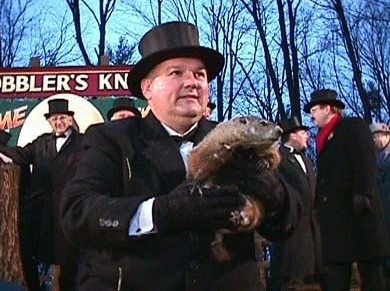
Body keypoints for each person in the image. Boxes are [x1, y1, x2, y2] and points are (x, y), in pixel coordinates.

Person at [59, 21, 301, 291]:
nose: (192, 83)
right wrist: (161, 212)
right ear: (148, 87)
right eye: (176, 73)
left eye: (200, 75)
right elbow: (77, 214)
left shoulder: (237, 138)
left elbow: (287, 223)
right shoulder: (111, 139)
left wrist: (270, 191)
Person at [304, 88, 388, 291]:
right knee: (334, 275)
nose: (312, 115)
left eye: (315, 109)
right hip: (337, 222)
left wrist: (363, 192)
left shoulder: (351, 127)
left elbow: (365, 159)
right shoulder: (324, 139)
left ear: (328, 109)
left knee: (371, 275)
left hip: (360, 215)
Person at [0, 98, 84, 290]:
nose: (58, 122)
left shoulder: (83, 142)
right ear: (49, 122)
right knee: (38, 259)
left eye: (62, 118)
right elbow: (20, 154)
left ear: (70, 120)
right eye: (54, 119)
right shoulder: (41, 143)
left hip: (68, 209)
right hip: (42, 213)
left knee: (69, 261)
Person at [268, 116, 323, 290]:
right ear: (291, 135)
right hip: (291, 234)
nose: (307, 135)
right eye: (302, 132)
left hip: (312, 232)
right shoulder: (277, 158)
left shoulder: (307, 160)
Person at [370, 122, 390, 289]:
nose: (376, 139)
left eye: (379, 136)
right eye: (374, 137)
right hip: (380, 215)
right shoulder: (371, 161)